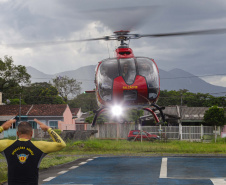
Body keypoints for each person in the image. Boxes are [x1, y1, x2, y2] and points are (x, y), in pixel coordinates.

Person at [0, 119, 66, 185]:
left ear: (17, 133)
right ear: (31, 133)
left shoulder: (6, 145)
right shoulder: (39, 146)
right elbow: (61, 144)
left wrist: (2, 127)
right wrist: (48, 129)